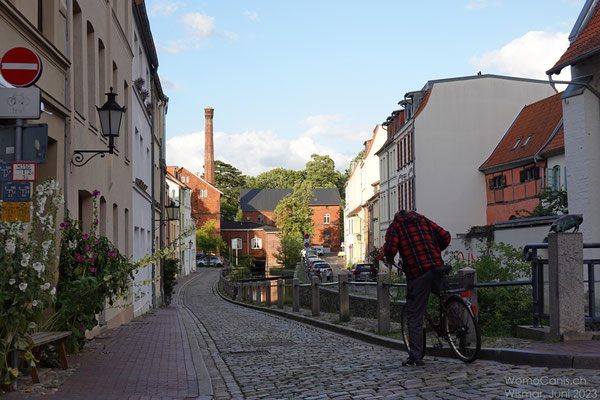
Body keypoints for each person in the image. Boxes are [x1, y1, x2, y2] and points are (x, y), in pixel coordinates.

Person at [383, 210, 451, 366]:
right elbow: (445, 236)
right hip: (437, 266)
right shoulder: (424, 220)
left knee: (414, 315)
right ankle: (459, 330)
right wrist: (434, 250)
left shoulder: (396, 226)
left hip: (418, 272)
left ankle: (415, 357)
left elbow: (391, 248)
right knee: (447, 298)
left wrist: (389, 258)